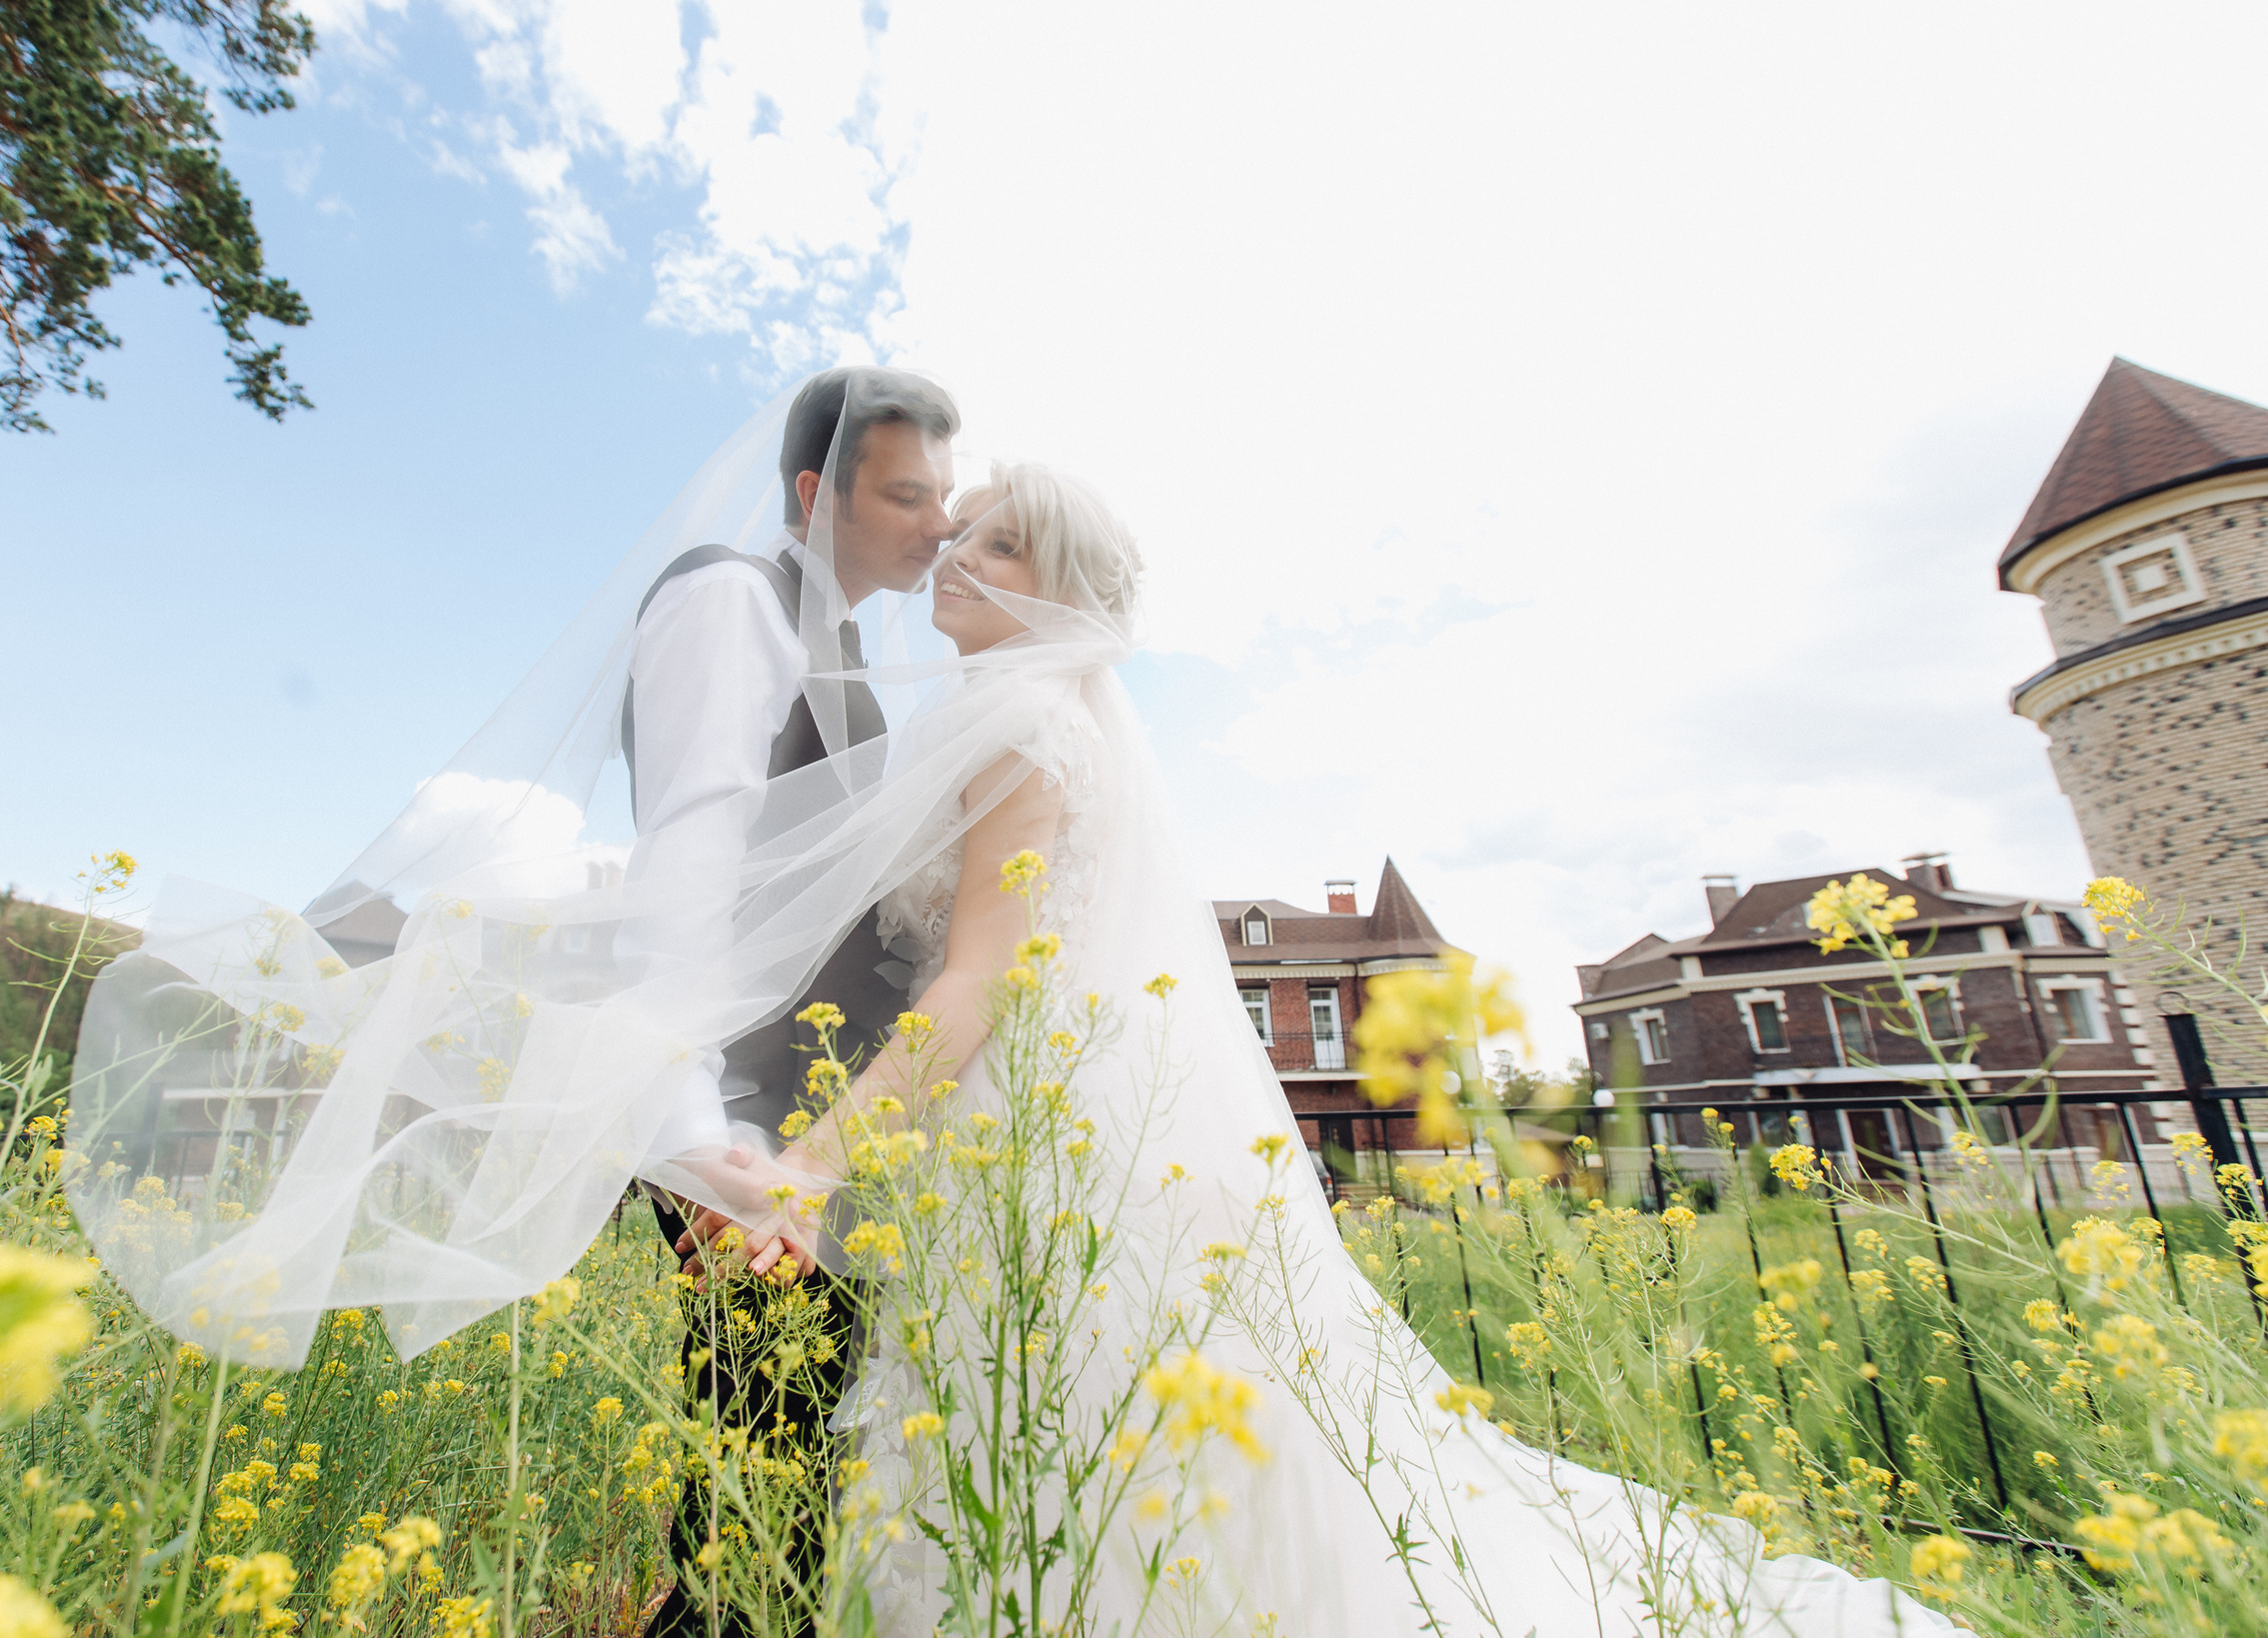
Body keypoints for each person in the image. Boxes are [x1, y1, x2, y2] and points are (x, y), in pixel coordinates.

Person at [767, 463, 1953, 1636]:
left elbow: (981, 972)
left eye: (1005, 544)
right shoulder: (1039, 715)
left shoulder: (1022, 718)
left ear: (1066, 592)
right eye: (963, 529)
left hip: (1045, 1126)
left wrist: (812, 1154)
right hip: (1088, 1107)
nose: (963, 553)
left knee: (1064, 1423)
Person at [617, 365, 959, 1635]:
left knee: (788, 1510)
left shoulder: (840, 643)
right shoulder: (732, 600)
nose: (939, 525)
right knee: (751, 1533)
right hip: (746, 1135)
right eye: (909, 494)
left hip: (812, 1133)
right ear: (817, 493)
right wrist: (704, 1146)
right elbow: (687, 865)